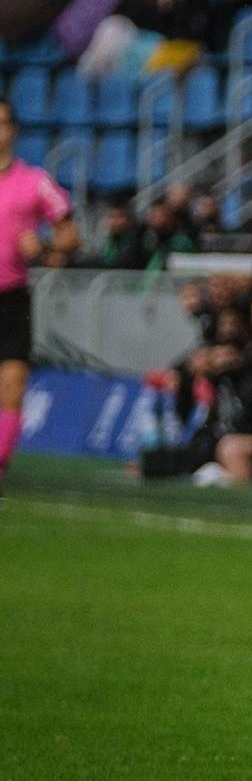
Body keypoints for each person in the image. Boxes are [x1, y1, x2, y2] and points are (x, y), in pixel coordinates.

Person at [0, 98, 79, 495]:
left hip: (11, 297)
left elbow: (70, 234)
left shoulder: (35, 183)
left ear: (13, 131)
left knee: (12, 384)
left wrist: (46, 248)